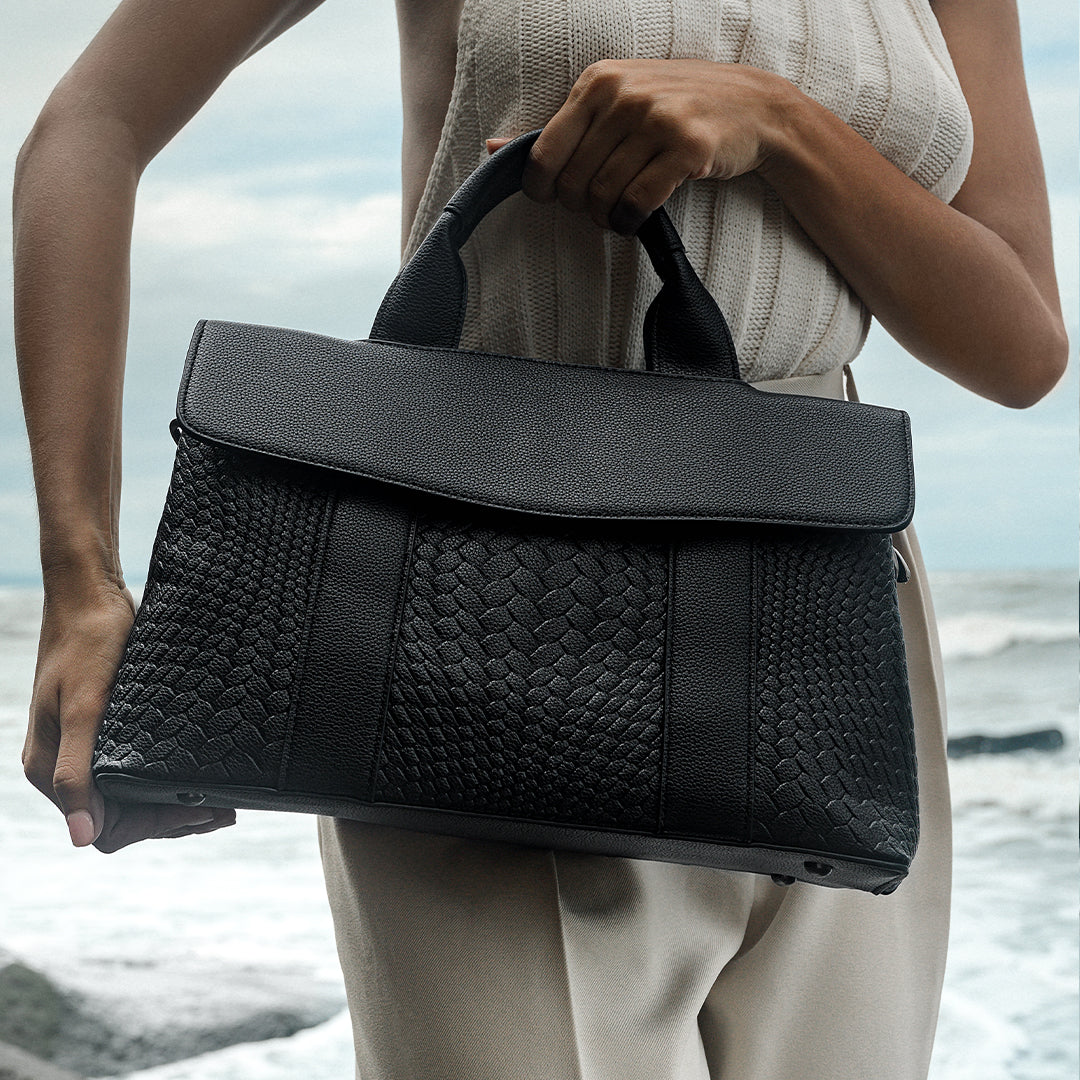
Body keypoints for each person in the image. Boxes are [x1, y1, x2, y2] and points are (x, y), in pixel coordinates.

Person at [14, 1, 1066, 1078]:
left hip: (827, 615)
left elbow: (1023, 345)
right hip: (470, 591)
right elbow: (90, 124)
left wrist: (788, 129)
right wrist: (80, 583)